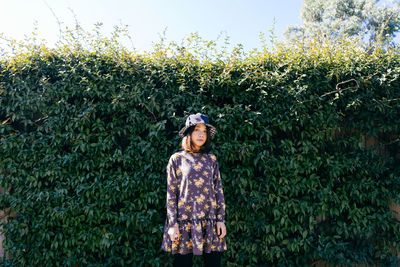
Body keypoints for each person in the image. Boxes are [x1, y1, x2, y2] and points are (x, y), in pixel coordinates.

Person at [161, 113, 227, 267]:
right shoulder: (176, 159)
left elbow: (218, 190)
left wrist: (221, 220)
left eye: (204, 131)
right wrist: (172, 224)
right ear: (189, 133)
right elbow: (171, 194)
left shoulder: (211, 159)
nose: (201, 134)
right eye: (197, 129)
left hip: (210, 223)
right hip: (184, 223)